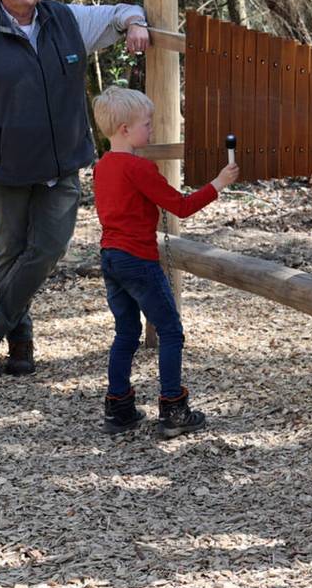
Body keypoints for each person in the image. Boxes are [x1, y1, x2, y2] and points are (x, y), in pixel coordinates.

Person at [0, 0, 152, 377]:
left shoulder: (65, 20)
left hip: (62, 163)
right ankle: (20, 343)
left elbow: (122, 12)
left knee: (50, 247)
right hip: (5, 166)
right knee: (10, 252)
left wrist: (136, 23)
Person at [90, 86, 240, 438]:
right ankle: (173, 409)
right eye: (147, 124)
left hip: (110, 257)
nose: (152, 129)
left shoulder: (102, 166)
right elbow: (181, 207)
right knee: (170, 331)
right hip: (138, 260)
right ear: (125, 129)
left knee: (126, 333)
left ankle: (119, 409)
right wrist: (218, 183)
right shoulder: (139, 168)